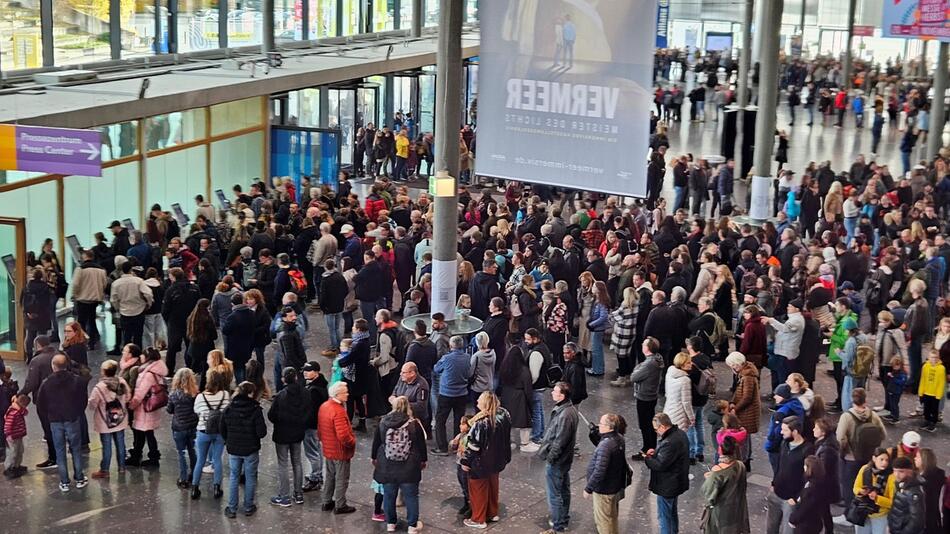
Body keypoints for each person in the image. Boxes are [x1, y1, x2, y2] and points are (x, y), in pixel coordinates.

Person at [371, 396, 428, 534]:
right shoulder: (414, 424)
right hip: (409, 467)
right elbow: (421, 446)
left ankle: (391, 523)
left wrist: (374, 458)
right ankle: (412, 526)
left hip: (387, 466)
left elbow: (376, 442)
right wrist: (423, 461)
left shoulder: (383, 422)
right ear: (408, 407)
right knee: (411, 497)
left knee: (389, 496)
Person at [36, 353, 89, 492]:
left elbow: (41, 404)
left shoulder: (46, 383)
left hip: (55, 421)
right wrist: (77, 412)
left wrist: (49, 415)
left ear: (53, 366)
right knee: (76, 450)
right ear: (67, 365)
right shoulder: (77, 381)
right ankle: (79, 478)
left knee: (60, 452)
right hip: (72, 419)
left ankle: (64, 482)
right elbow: (83, 400)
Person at [460, 391, 512, 529]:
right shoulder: (504, 415)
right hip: (498, 460)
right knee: (493, 486)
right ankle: (492, 513)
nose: (477, 401)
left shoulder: (481, 422)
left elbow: (473, 446)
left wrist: (465, 462)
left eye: (479, 399)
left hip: (480, 463)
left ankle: (478, 519)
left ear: (485, 403)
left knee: (478, 490)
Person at [835, 388, 886, 524]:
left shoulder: (847, 417)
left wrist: (844, 450)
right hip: (869, 457)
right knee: (866, 485)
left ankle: (849, 515)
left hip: (851, 458)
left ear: (853, 400)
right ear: (865, 400)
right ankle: (865, 511)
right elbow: (883, 434)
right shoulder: (873, 415)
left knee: (849, 486)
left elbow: (839, 437)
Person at [220, 381, 267, 518]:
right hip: (251, 449)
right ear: (251, 393)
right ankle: (248, 507)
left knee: (234, 477)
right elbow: (262, 432)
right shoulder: (255, 409)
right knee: (250, 477)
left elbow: (222, 429)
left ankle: (232, 508)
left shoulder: (229, 408)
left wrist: (228, 440)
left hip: (233, 449)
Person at [538, 381, 579, 534]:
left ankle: (557, 526)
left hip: (558, 460)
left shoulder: (565, 415)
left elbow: (559, 441)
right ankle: (562, 520)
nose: (552, 393)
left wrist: (550, 458)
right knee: (563, 489)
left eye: (555, 391)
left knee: (555, 494)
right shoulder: (569, 410)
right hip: (564, 459)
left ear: (562, 395)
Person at [765, 416, 813, 534]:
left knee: (789, 531)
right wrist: (773, 482)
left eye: (785, 430)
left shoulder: (807, 450)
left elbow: (809, 478)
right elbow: (779, 465)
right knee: (771, 528)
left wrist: (797, 497)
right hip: (776, 493)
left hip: (790, 499)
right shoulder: (784, 443)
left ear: (795, 432)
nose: (781, 432)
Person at [645, 412, 690, 534]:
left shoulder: (669, 442)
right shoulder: (680, 434)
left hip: (667, 485)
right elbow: (669, 457)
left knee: (664, 516)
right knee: (672, 512)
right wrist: (657, 453)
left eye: (656, 429)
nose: (656, 432)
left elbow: (660, 465)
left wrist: (648, 459)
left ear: (663, 427)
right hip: (677, 482)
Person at [190, 368, 231, 500]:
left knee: (201, 460)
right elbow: (227, 411)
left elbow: (196, 411)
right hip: (220, 432)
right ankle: (217, 488)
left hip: (203, 431)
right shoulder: (225, 395)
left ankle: (195, 488)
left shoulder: (200, 397)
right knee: (217, 459)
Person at [585, 412, 629, 534]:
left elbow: (599, 470)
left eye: (601, 423)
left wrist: (588, 488)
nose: (599, 425)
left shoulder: (605, 445)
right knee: (612, 518)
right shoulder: (619, 439)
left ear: (609, 427)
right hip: (614, 486)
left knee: (604, 522)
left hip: (604, 490)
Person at [318, 381, 357, 514]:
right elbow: (344, 435)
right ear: (338, 394)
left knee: (330, 476)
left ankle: (326, 501)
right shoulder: (338, 411)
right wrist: (352, 442)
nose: (347, 394)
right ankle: (340, 505)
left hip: (329, 449)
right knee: (342, 478)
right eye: (345, 392)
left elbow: (320, 429)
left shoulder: (324, 406)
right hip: (340, 451)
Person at [87, 359, 130, 479]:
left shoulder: (100, 387)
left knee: (106, 446)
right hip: (120, 419)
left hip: (105, 422)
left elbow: (92, 405)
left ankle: (105, 469)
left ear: (104, 372)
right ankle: (122, 467)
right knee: (121, 443)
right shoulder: (121, 382)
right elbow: (128, 397)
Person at [700, 435, 750, 534]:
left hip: (721, 515)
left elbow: (709, 496)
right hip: (737, 510)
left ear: (720, 450)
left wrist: (709, 478)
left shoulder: (717, 471)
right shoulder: (740, 465)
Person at [127, 347, 167, 468]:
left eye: (143, 355)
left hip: (144, 409)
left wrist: (131, 405)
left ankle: (145, 457)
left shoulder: (147, 374)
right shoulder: (157, 369)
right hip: (151, 408)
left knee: (143, 433)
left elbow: (140, 393)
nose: (141, 357)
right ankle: (148, 456)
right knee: (148, 433)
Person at [431, 336, 472, 455]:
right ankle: (457, 444)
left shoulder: (447, 358)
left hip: (446, 394)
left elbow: (436, 369)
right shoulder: (467, 357)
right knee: (459, 420)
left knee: (440, 420)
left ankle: (442, 447)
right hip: (462, 393)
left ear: (451, 345)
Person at [630, 337, 664, 461]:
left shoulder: (648, 364)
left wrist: (637, 368)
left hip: (644, 396)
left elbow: (634, 377)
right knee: (649, 423)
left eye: (644, 344)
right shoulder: (657, 360)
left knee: (645, 425)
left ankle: (647, 449)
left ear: (648, 348)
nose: (642, 345)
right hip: (651, 395)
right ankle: (651, 446)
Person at [726, 352, 760, 470]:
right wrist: (733, 402)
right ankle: (746, 460)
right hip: (747, 410)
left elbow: (747, 397)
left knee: (743, 437)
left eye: (733, 366)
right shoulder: (746, 373)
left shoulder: (747, 377)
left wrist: (735, 408)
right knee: (746, 436)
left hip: (747, 412)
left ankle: (744, 462)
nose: (733, 369)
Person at [851, 447, 897, 534]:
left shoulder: (891, 477)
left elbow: (892, 502)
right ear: (874, 458)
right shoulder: (865, 469)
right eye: (881, 459)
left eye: (887, 460)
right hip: (863, 511)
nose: (884, 463)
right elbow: (855, 488)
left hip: (880, 515)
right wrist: (861, 491)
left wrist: (877, 498)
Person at [167, 367, 199, 489]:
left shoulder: (173, 394)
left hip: (179, 427)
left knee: (181, 453)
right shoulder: (195, 394)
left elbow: (169, 410)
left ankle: (183, 478)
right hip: (192, 425)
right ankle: (194, 475)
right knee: (192, 451)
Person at [763, 299, 805, 391]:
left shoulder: (796, 320)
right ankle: (777, 395)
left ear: (797, 309)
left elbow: (785, 328)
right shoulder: (793, 318)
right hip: (783, 351)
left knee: (783, 377)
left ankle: (782, 397)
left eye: (790, 307)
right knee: (779, 374)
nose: (788, 308)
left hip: (786, 353)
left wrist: (771, 320)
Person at [109, 261, 154, 347]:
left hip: (124, 311)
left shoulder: (116, 283)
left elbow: (113, 299)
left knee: (126, 335)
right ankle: (138, 355)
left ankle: (128, 353)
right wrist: (148, 304)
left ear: (122, 270)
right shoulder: (139, 281)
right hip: (139, 310)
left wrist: (118, 308)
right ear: (131, 270)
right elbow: (148, 293)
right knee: (138, 335)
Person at [764, 384, 805, 476]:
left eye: (777, 394)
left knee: (778, 472)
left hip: (777, 447)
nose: (774, 396)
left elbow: (775, 433)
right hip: (790, 443)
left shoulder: (780, 413)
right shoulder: (796, 405)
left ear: (783, 396)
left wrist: (769, 446)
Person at [71, 249, 108, 349]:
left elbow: (75, 284)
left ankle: (82, 342)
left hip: (82, 298)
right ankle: (92, 343)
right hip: (95, 298)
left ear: (84, 256)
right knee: (92, 320)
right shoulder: (101, 269)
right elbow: (105, 283)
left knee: (81, 321)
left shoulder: (80, 269)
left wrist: (74, 295)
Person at [301, 361, 329, 493]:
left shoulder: (314, 391)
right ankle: (317, 475)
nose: (305, 372)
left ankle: (315, 478)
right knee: (316, 451)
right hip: (316, 425)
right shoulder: (321, 385)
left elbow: (310, 411)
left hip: (311, 426)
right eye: (305, 370)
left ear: (316, 372)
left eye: (309, 370)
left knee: (312, 453)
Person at [812, 417, 840, 532]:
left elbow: (823, 471)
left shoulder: (827, 449)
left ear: (823, 432)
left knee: (822, 512)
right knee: (824, 512)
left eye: (816, 428)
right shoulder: (825, 443)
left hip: (824, 488)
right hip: (826, 487)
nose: (813, 429)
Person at [786, 455, 826, 534]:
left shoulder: (811, 489)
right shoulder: (820, 482)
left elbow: (804, 508)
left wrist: (793, 519)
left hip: (806, 525)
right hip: (816, 522)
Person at [887, 456, 925, 534]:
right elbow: (894, 508)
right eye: (894, 471)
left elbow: (917, 521)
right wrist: (890, 526)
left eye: (901, 471)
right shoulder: (900, 484)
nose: (896, 475)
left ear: (910, 471)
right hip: (896, 529)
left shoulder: (913, 491)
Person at [391, 362, 430, 430]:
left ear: (412, 373)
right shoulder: (402, 379)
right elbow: (395, 391)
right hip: (400, 417)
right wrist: (393, 397)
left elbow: (421, 406)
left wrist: (401, 403)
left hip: (415, 420)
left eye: (403, 372)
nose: (401, 374)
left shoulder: (422, 385)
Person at [914, 448, 944, 534]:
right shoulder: (938, 477)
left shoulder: (925, 481)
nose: (915, 458)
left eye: (917, 457)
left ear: (924, 460)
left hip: (926, 521)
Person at [663, 352, 694, 433]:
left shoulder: (670, 373)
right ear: (682, 364)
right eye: (688, 362)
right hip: (680, 415)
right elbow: (686, 402)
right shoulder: (685, 380)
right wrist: (691, 418)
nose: (691, 364)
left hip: (668, 409)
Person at [917, 349, 946, 432]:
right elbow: (922, 380)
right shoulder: (925, 367)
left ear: (938, 358)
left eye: (935, 357)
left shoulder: (941, 368)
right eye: (932, 357)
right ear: (928, 358)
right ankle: (926, 420)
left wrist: (939, 394)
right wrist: (920, 392)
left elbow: (941, 383)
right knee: (926, 408)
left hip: (935, 394)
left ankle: (933, 423)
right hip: (926, 392)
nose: (933, 359)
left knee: (934, 409)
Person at [3, 394, 30, 478]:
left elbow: (25, 412)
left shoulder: (19, 411)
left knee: (20, 451)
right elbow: (8, 425)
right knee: (12, 452)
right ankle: (9, 468)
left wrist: (21, 408)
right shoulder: (13, 412)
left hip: (18, 435)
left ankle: (17, 466)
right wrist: (8, 434)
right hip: (12, 436)